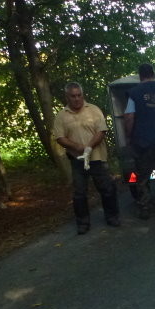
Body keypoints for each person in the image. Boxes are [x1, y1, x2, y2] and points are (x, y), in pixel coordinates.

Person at [53, 82, 120, 234]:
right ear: (67, 97)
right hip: (77, 159)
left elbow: (102, 131)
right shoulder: (61, 116)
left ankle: (112, 217)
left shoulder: (94, 110)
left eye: (79, 95)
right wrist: (78, 148)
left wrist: (89, 147)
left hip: (96, 157)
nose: (77, 99)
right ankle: (83, 223)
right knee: (79, 193)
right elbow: (60, 137)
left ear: (83, 95)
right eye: (73, 96)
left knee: (107, 188)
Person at [123, 64, 155, 219]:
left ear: (140, 76)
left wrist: (129, 136)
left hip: (143, 143)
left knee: (143, 178)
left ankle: (145, 209)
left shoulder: (134, 93)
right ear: (154, 74)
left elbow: (129, 117)